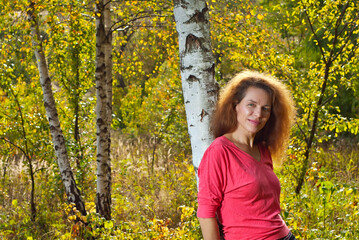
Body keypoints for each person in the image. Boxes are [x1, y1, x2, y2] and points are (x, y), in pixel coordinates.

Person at [197, 70, 297, 240]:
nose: (258, 114)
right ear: (235, 105)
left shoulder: (262, 149)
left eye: (265, 108)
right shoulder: (220, 151)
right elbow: (206, 212)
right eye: (251, 104)